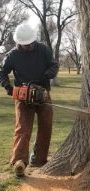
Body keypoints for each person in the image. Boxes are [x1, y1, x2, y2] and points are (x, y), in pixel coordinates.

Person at [0, 23, 58, 177]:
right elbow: (2, 73)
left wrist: (46, 75)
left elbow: (54, 65)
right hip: (22, 95)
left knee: (46, 125)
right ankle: (19, 161)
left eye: (30, 44)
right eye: (24, 45)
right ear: (19, 42)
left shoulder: (44, 49)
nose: (28, 46)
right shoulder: (12, 55)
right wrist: (9, 88)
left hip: (43, 92)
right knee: (23, 128)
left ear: (34, 40)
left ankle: (39, 159)